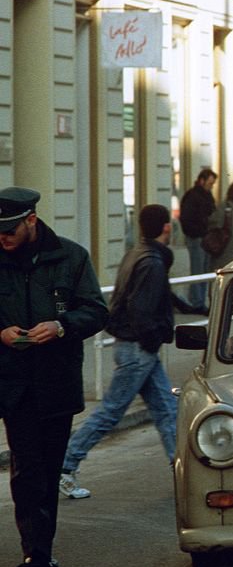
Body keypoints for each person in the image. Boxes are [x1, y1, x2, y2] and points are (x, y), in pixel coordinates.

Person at [0, 187, 108, 567]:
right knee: (27, 469)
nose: (3, 238)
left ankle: (43, 547)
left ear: (31, 220)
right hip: (15, 385)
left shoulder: (70, 257)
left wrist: (61, 327)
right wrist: (2, 333)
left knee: (47, 467)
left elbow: (97, 311)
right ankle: (36, 554)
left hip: (56, 383)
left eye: (10, 229)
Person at [59, 204, 198, 500]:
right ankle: (65, 467)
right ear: (166, 227)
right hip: (138, 349)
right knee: (112, 411)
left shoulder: (138, 254)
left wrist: (192, 309)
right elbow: (142, 307)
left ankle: (186, 475)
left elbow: (152, 298)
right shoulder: (152, 262)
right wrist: (152, 339)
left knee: (166, 410)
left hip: (137, 348)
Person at [178, 168, 218, 310]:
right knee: (198, 271)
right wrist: (197, 232)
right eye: (209, 183)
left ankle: (199, 301)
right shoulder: (193, 196)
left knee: (204, 270)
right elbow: (186, 219)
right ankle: (197, 302)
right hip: (197, 238)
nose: (211, 186)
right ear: (202, 181)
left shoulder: (205, 195)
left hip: (205, 237)